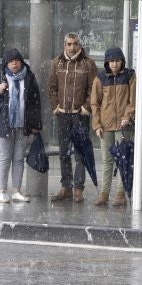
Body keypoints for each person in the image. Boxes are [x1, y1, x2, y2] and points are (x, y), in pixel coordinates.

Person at [48, 33, 98, 203]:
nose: (72, 47)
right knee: (63, 152)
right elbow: (52, 87)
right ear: (64, 45)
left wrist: (86, 108)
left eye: (75, 44)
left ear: (79, 45)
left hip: (80, 115)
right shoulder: (57, 63)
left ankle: (78, 188)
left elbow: (94, 89)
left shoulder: (88, 63)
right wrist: (56, 107)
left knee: (80, 154)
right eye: (69, 44)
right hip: (63, 114)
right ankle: (66, 187)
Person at [0, 48, 42, 204]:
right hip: (5, 123)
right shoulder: (0, 76)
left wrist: (35, 124)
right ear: (6, 63)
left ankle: (16, 191)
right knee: (5, 157)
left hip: (23, 123)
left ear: (21, 61)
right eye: (11, 61)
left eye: (17, 60)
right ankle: (2, 191)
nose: (14, 64)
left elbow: (35, 102)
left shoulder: (29, 77)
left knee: (18, 158)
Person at [91, 47, 135, 207]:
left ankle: (120, 193)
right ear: (107, 62)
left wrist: (127, 116)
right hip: (106, 124)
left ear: (122, 61)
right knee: (107, 160)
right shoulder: (100, 78)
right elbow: (95, 103)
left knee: (123, 159)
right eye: (111, 61)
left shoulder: (130, 76)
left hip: (124, 125)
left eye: (117, 61)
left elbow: (133, 100)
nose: (114, 64)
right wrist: (96, 124)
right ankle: (104, 193)